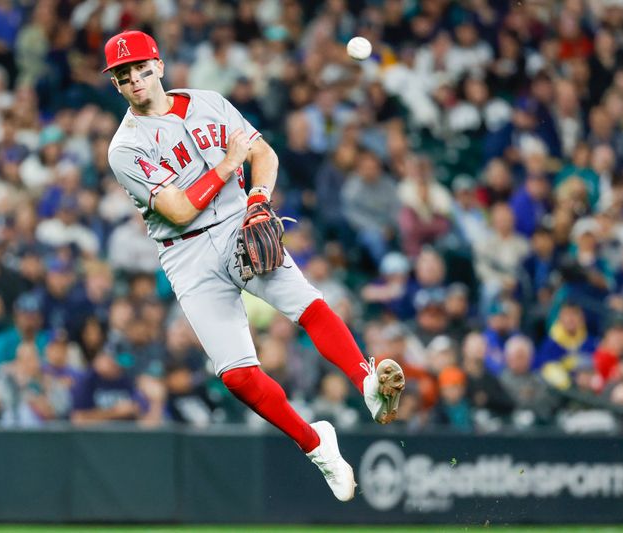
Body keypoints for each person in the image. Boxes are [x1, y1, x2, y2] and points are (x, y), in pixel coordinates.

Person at [102, 30, 405, 501]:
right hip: (186, 253)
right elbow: (179, 210)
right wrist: (227, 166)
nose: (136, 80)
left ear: (159, 66)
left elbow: (264, 154)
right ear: (117, 86)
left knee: (307, 304)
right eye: (124, 76)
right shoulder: (124, 147)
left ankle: (367, 381)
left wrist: (259, 199)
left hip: (239, 220)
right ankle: (318, 446)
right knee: (238, 376)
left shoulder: (208, 102)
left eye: (142, 68)